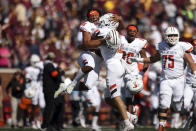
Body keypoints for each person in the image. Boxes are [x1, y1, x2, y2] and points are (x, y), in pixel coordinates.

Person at [130, 26, 196, 131]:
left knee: (179, 105)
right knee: (163, 103)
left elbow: (191, 62)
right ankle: (162, 125)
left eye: (174, 35)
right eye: (170, 35)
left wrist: (194, 72)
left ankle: (191, 117)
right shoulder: (162, 46)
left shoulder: (182, 46)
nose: (173, 37)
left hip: (179, 80)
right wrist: (140, 59)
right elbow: (153, 59)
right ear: (166, 36)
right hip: (165, 79)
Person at [41, 52, 64, 131]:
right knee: (50, 107)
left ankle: (51, 124)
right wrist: (60, 72)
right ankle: (46, 125)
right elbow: (55, 75)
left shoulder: (47, 65)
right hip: (50, 90)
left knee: (54, 107)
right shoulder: (49, 65)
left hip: (50, 89)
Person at [182, 39, 196, 130]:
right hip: (189, 84)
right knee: (186, 105)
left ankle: (193, 122)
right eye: (194, 45)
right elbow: (182, 67)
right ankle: (190, 117)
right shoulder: (188, 54)